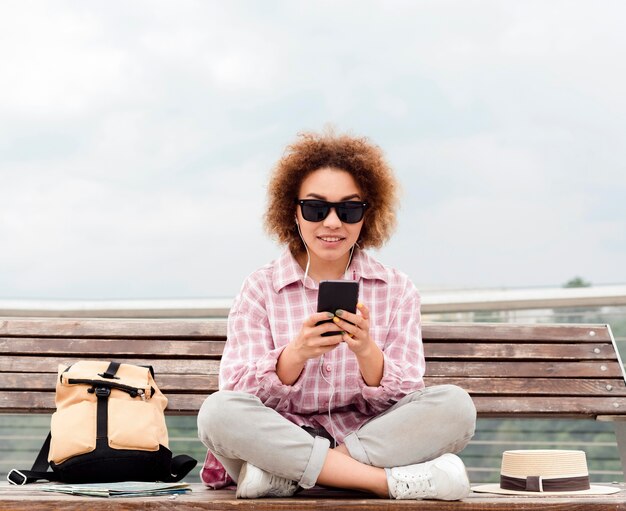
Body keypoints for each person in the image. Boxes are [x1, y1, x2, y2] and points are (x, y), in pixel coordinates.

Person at [197, 129, 477, 501]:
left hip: (357, 444)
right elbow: (235, 391)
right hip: (283, 438)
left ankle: (291, 477)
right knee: (217, 413)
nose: (332, 223)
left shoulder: (396, 288)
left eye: (348, 209)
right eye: (316, 208)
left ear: (366, 215)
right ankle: (383, 483)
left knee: (456, 407)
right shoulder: (260, 288)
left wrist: (367, 353)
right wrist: (294, 355)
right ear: (292, 211)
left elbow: (409, 396)